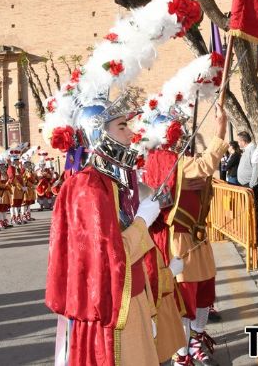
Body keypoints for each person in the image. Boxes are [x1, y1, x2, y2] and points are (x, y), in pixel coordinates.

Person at [46, 98, 161, 366]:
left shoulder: (109, 180)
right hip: (112, 311)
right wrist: (144, 220)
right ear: (98, 133)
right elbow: (110, 257)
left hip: (130, 299)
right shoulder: (88, 186)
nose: (131, 134)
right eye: (122, 126)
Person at [141, 104, 228, 366]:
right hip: (177, 239)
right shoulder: (164, 159)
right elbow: (205, 165)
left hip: (196, 237)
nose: (180, 136)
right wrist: (220, 128)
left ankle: (195, 340)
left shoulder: (175, 159)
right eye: (176, 130)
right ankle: (182, 356)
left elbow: (197, 173)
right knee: (185, 298)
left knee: (204, 292)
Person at [236, 131, 258, 244]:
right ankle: (252, 234)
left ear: (243, 141)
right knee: (250, 211)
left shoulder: (253, 149)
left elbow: (257, 166)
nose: (238, 143)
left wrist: (252, 184)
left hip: (250, 185)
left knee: (254, 210)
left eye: (239, 141)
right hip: (246, 184)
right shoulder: (247, 150)